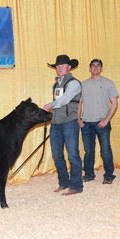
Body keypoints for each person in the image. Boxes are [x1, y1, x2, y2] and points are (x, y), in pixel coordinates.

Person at [43, 55, 83, 196]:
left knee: (73, 155)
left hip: (69, 123)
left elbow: (65, 99)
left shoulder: (74, 83)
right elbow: (59, 103)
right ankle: (64, 183)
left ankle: (77, 185)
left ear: (69, 67)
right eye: (57, 66)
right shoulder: (56, 84)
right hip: (56, 123)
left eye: (63, 66)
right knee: (57, 155)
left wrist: (50, 105)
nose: (59, 68)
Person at [77, 59, 119, 184]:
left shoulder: (108, 83)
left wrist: (107, 120)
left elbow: (115, 103)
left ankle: (108, 176)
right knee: (88, 151)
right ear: (90, 69)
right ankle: (89, 175)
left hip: (102, 123)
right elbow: (79, 103)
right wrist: (78, 119)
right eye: (93, 66)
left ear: (101, 69)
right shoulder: (82, 84)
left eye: (98, 66)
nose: (95, 67)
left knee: (105, 150)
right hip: (86, 123)